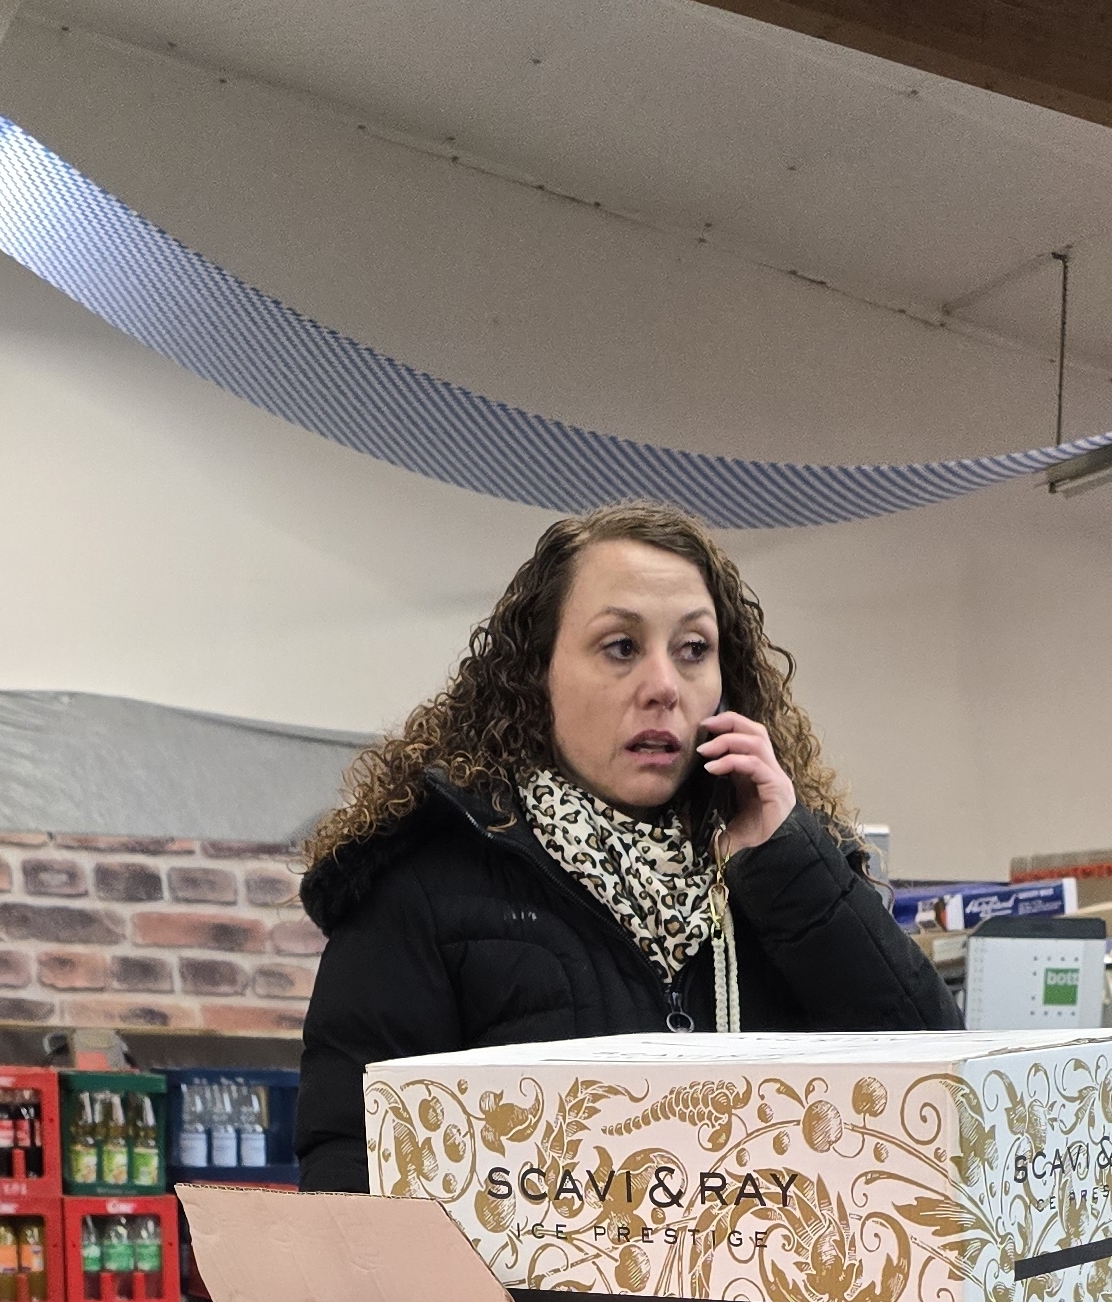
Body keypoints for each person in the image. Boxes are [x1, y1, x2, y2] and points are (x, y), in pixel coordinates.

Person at [294, 500, 958, 1188]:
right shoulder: (422, 886)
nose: (664, 687)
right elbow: (351, 1169)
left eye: (693, 650)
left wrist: (788, 864)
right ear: (537, 673)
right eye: (621, 647)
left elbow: (942, 1102)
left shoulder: (782, 868)